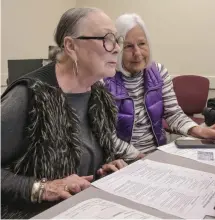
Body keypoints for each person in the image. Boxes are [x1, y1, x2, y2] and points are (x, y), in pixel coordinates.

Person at [1, 8, 143, 219]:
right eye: (107, 39)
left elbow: (85, 165)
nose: (116, 49)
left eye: (117, 40)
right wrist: (41, 188)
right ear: (71, 46)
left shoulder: (99, 95)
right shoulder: (28, 96)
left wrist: (105, 168)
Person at [103, 13, 215, 154]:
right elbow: (106, 135)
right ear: (117, 48)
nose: (138, 53)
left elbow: (174, 114)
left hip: (158, 154)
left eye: (142, 43)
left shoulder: (159, 72)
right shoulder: (103, 80)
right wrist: (139, 159)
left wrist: (202, 131)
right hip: (122, 162)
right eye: (128, 46)